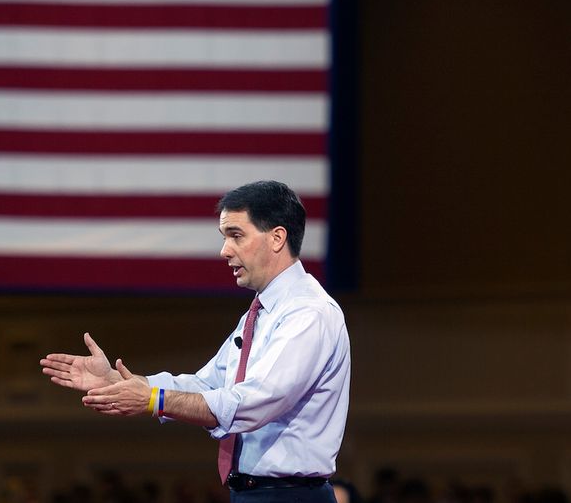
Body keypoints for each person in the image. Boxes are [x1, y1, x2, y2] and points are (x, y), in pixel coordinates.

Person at [40, 180, 351, 502]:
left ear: (277, 238)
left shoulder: (308, 312)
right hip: (252, 493)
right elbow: (208, 385)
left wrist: (153, 399)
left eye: (236, 235)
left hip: (290, 496)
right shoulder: (260, 314)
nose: (224, 250)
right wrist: (121, 382)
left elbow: (254, 403)